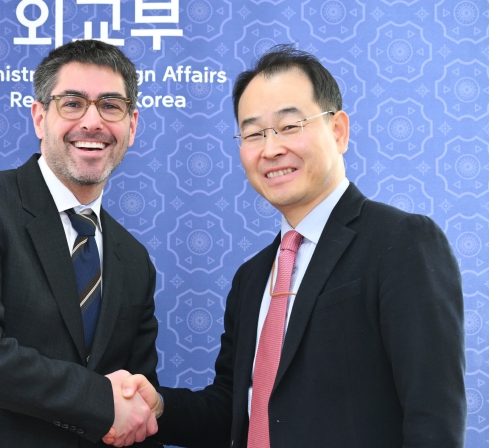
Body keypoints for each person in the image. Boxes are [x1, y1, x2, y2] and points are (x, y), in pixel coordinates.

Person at [115, 44, 466, 448]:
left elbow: (433, 418)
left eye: (289, 126)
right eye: (253, 134)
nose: (271, 149)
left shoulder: (401, 242)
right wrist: (159, 407)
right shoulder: (251, 278)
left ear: (338, 130)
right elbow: (234, 412)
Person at [0, 39, 161, 448]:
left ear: (132, 125)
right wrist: (99, 399)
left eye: (110, 106)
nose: (92, 122)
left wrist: (147, 408)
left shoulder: (134, 259)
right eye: (72, 103)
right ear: (40, 117)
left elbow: (135, 397)